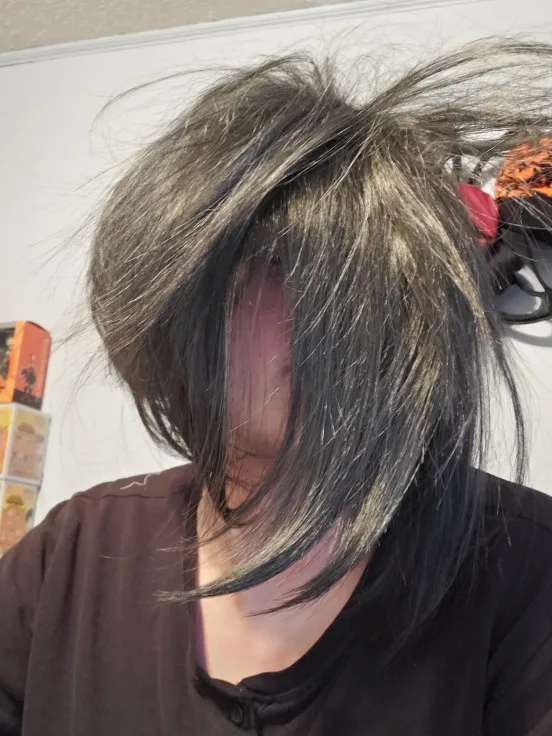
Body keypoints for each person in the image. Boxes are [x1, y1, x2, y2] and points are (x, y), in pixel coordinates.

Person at [1, 40, 552, 736]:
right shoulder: (72, 556)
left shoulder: (528, 571)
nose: (349, 315)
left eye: (382, 280)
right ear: (174, 305)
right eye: (285, 265)